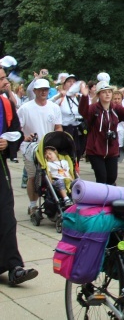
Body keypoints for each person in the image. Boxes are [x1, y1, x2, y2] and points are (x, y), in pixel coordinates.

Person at [0, 67, 38, 286]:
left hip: (0, 167)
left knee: (6, 215)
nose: (6, 82)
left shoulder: (6, 103)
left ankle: (14, 266)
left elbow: (15, 132)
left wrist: (8, 144)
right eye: (3, 78)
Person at [79, 81, 124, 185]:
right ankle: (100, 200)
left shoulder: (116, 108)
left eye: (109, 92)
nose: (107, 94)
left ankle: (109, 199)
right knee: (102, 177)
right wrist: (84, 97)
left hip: (112, 150)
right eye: (104, 92)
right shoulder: (94, 108)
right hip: (95, 150)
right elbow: (83, 112)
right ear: (98, 94)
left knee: (112, 177)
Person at [18, 78, 63, 216]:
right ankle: (33, 205)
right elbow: (18, 128)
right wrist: (24, 137)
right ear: (35, 91)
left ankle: (54, 202)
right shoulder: (25, 108)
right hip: (30, 148)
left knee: (53, 175)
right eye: (41, 89)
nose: (44, 92)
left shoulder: (54, 107)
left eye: (46, 89)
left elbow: (58, 127)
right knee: (33, 177)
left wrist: (59, 139)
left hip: (48, 147)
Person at [56, 74, 87, 163]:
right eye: (69, 81)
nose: (72, 84)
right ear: (64, 84)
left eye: (74, 82)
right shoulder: (61, 97)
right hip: (65, 129)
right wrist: (58, 96)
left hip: (78, 129)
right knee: (66, 152)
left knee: (78, 152)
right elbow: (47, 104)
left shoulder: (80, 97)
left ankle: (75, 170)